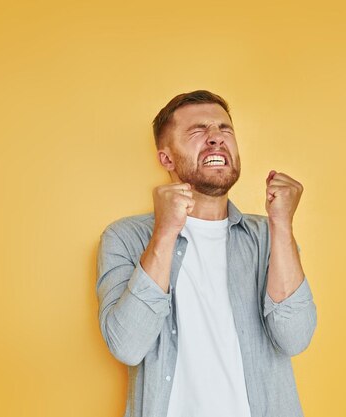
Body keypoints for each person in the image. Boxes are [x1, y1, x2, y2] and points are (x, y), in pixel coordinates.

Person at [96, 90, 317, 417]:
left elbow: (295, 337)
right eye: (198, 131)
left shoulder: (268, 236)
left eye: (224, 130)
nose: (216, 139)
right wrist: (166, 230)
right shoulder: (126, 238)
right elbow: (127, 346)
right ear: (166, 159)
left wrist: (282, 223)